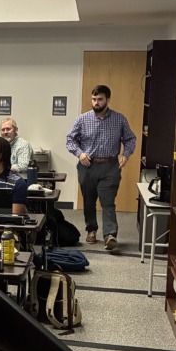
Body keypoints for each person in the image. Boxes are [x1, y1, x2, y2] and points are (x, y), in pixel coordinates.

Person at [65, 84, 136, 251]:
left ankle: (110, 235)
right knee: (89, 200)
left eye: (100, 99)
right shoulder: (82, 119)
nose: (96, 102)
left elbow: (130, 139)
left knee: (108, 201)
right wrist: (79, 153)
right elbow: (70, 140)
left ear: (107, 100)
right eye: (94, 99)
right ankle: (91, 230)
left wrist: (126, 155)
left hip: (110, 166)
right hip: (87, 166)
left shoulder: (119, 119)